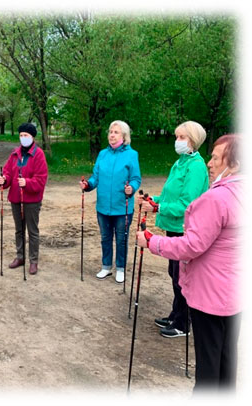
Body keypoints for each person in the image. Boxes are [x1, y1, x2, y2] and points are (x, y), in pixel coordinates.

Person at [137, 134, 242, 393]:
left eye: (216, 158)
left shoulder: (217, 198)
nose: (210, 163)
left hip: (211, 294)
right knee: (225, 360)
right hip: (233, 292)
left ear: (236, 164)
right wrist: (158, 204)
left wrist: (151, 242)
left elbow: (192, 245)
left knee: (208, 366)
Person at [139, 121, 208, 338]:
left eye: (181, 137)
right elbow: (171, 196)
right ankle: (175, 313)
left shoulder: (196, 166)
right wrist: (154, 199)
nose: (177, 141)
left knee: (182, 276)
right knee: (174, 273)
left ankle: (182, 323)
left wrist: (158, 207)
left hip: (185, 228)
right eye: (176, 137)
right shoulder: (180, 163)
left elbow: (188, 203)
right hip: (172, 225)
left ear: (193, 141)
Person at [80, 120, 141, 284]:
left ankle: (120, 268)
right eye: (110, 132)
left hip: (122, 207)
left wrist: (132, 188)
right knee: (105, 238)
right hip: (103, 206)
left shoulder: (131, 154)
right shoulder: (102, 154)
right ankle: (106, 266)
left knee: (121, 239)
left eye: (116, 132)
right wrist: (88, 185)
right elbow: (96, 177)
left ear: (124, 136)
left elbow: (136, 179)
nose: (112, 135)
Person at [0, 122, 48, 275]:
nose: (23, 138)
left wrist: (27, 182)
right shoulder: (14, 154)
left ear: (32, 137)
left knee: (32, 231)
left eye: (26, 135)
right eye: (21, 135)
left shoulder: (38, 154)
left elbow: (41, 179)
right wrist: (4, 179)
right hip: (15, 198)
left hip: (31, 200)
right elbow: (8, 172)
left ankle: (33, 261)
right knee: (19, 230)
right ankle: (20, 257)